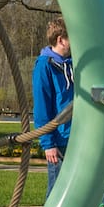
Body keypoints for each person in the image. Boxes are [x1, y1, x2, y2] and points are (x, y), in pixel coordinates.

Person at [32, 19, 73, 184]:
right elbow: (41, 108)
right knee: (58, 189)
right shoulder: (45, 66)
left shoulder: (73, 64)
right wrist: (48, 144)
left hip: (78, 136)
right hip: (60, 140)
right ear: (61, 40)